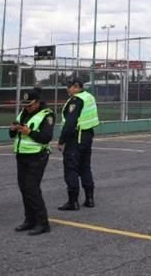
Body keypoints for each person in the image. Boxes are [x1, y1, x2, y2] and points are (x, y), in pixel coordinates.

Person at [10, 87, 55, 235]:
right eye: (25, 104)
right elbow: (13, 134)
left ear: (37, 102)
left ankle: (42, 223)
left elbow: (46, 137)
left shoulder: (47, 115)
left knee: (32, 188)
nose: (26, 107)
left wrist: (29, 132)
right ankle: (29, 220)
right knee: (24, 188)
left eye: (29, 105)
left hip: (37, 156)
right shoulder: (23, 112)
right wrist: (13, 129)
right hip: (21, 154)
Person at [57, 77, 100, 210]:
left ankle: (73, 201)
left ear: (76, 87)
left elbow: (70, 123)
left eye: (69, 86)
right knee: (85, 167)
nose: (67, 89)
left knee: (71, 169)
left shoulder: (76, 101)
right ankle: (89, 199)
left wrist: (61, 141)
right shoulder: (89, 97)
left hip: (76, 137)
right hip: (87, 136)